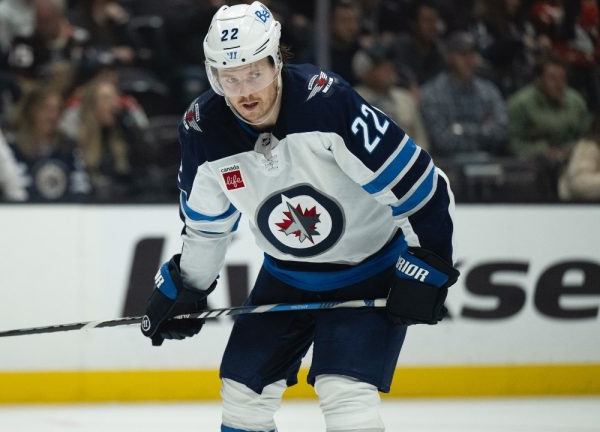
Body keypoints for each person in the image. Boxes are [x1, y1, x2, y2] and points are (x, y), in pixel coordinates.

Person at [139, 2, 459, 431]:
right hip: (286, 276)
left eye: (255, 73)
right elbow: (207, 227)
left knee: (344, 393)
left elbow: (423, 185)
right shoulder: (203, 130)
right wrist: (187, 288)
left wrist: (428, 262)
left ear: (276, 61)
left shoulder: (326, 103)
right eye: (229, 79)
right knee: (242, 394)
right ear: (214, 77)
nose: (245, 91)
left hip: (370, 267)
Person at [507, 55, 591, 200]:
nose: (558, 84)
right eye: (552, 78)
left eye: (562, 78)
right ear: (539, 79)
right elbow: (512, 143)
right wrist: (543, 151)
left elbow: (587, 137)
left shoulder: (576, 101)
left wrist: (575, 150)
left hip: (573, 161)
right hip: (535, 165)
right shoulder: (519, 104)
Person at [420, 31, 508, 158]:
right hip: (446, 167)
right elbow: (442, 141)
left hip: (488, 163)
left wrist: (460, 129)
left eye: (472, 54)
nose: (469, 60)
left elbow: (501, 132)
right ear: (448, 57)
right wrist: (482, 130)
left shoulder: (489, 91)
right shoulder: (431, 93)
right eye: (462, 55)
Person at [11, 86, 88, 201]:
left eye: (56, 110)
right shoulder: (15, 147)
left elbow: (80, 185)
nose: (52, 116)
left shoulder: (68, 146)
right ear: (33, 110)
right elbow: (16, 188)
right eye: (46, 109)